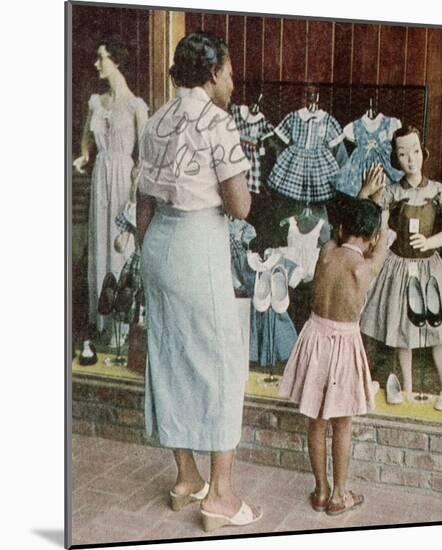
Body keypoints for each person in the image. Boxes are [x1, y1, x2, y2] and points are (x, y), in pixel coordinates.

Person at [136, 31, 261, 532]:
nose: (232, 81)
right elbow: (239, 206)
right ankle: (222, 498)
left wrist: (148, 258)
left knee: (168, 356)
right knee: (221, 364)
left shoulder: (156, 119)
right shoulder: (217, 122)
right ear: (211, 74)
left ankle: (187, 478)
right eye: (228, 72)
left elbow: (144, 202)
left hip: (158, 245)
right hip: (197, 245)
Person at [278, 165, 387, 515]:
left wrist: (363, 196)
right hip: (343, 343)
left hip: (314, 336)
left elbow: (343, 229)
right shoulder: (365, 266)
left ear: (341, 230)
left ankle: (321, 489)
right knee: (342, 422)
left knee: (316, 419)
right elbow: (384, 239)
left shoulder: (326, 252)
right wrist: (379, 210)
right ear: (369, 239)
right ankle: (341, 494)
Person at [360, 126, 442, 410]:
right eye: (403, 154)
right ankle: (406, 387)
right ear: (396, 157)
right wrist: (371, 204)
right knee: (403, 328)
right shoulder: (392, 192)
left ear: (423, 152)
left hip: (429, 266)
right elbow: (373, 227)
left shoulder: (438, 190)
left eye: (415, 151)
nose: (411, 159)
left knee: (438, 329)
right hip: (400, 266)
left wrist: (430, 240)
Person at [73, 38, 148, 340]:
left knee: (121, 245)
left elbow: (143, 156)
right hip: (100, 175)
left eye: (101, 58)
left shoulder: (135, 106)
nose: (96, 63)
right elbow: (84, 138)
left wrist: (133, 192)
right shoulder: (95, 101)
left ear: (116, 61)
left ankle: (121, 325)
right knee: (99, 241)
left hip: (122, 180)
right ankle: (101, 323)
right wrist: (85, 155)